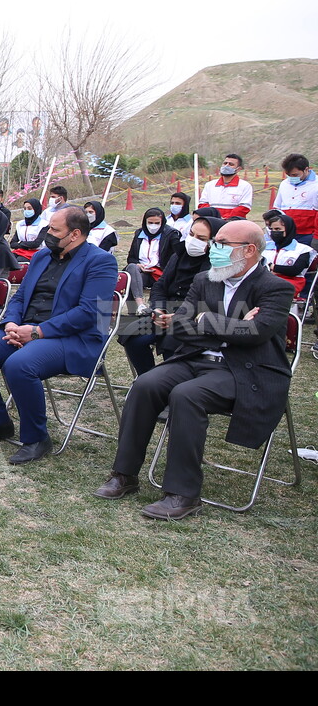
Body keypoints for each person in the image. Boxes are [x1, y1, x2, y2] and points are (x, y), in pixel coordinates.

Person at [92, 220, 294, 520]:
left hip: (245, 371)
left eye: (223, 244)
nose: (214, 249)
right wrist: (233, 325)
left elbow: (257, 334)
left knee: (187, 395)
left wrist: (205, 321)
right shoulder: (205, 279)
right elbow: (181, 331)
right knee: (145, 384)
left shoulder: (275, 288)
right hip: (195, 359)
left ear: (249, 250)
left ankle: (183, 494)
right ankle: (124, 474)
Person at [0, 206, 118, 464]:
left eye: (55, 230)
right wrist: (10, 323)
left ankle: (36, 438)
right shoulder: (42, 257)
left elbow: (89, 313)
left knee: (19, 364)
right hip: (26, 330)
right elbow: (20, 296)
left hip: (72, 339)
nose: (47, 233)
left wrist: (38, 332)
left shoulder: (100, 261)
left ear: (75, 234)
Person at [119, 213, 222, 375]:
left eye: (201, 238)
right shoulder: (178, 256)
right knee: (133, 336)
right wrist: (159, 310)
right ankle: (146, 378)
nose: (193, 240)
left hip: (193, 317)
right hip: (165, 311)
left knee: (172, 342)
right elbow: (160, 286)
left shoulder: (215, 265)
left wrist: (178, 316)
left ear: (213, 241)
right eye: (191, 234)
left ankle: (168, 385)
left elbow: (209, 300)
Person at [122, 207, 179, 313]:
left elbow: (175, 257)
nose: (153, 226)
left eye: (157, 223)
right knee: (132, 270)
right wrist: (139, 265)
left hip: (160, 272)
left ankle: (153, 311)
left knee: (132, 280)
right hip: (141, 271)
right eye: (150, 222)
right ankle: (139, 306)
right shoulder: (139, 234)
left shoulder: (171, 235)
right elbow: (131, 258)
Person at [263, 213, 313, 299]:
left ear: (288, 229)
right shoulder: (264, 247)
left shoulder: (303, 250)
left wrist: (272, 267)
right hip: (265, 280)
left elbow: (294, 270)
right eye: (272, 229)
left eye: (278, 229)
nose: (274, 232)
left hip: (290, 282)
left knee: (272, 290)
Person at [274, 153, 318, 246]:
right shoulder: (284, 184)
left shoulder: (316, 184)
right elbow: (277, 208)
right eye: (288, 175)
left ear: (306, 169)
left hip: (308, 236)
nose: (291, 178)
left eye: (295, 175)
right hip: (286, 234)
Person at [198, 154, 252, 218]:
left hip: (234, 223)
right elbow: (203, 205)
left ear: (238, 169)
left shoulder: (245, 186)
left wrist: (227, 219)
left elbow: (244, 208)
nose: (226, 166)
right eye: (225, 163)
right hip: (212, 223)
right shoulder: (209, 185)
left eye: (231, 164)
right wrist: (215, 219)